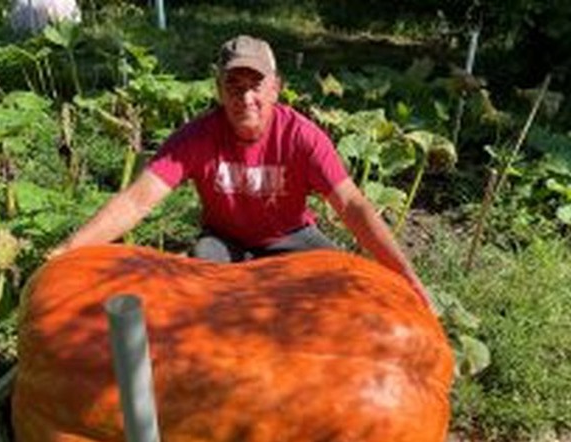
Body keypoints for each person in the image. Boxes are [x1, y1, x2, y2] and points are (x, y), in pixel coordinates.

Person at [48, 35, 433, 311]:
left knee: (341, 290)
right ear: (219, 90)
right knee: (199, 290)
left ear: (276, 89)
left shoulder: (303, 137)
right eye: (234, 85)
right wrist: (67, 252)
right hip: (224, 241)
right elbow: (136, 200)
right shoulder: (196, 136)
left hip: (291, 237)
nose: (245, 97)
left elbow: (351, 205)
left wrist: (405, 274)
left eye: (256, 85)